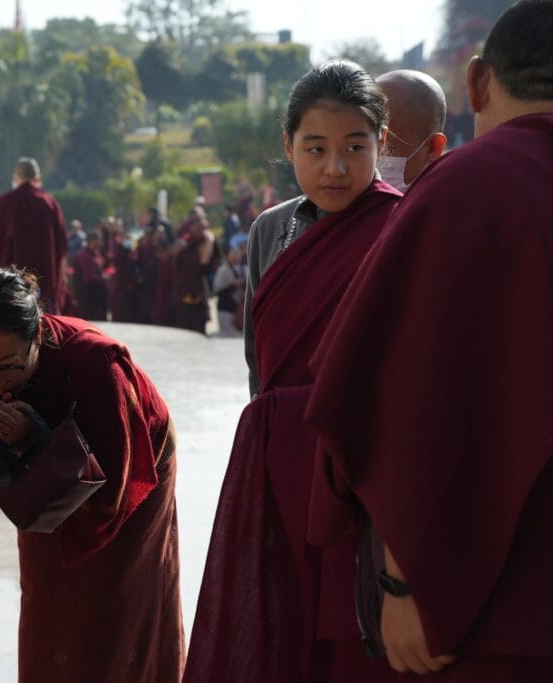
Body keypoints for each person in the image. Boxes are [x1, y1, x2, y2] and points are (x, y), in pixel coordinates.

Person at [306, 2, 553, 679]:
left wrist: (401, 581)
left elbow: (401, 398)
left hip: (491, 601)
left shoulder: (465, 189)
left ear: (476, 83)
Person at [185, 61, 403, 683]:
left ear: (381, 143)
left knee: (358, 642)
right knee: (283, 629)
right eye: (315, 148)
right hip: (281, 465)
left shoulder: (405, 224)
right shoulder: (271, 231)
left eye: (355, 147)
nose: (335, 168)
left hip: (367, 474)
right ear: (288, 147)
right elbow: (263, 360)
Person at [0, 266, 183, 682]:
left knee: (119, 596)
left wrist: (35, 437)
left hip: (132, 467)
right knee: (47, 589)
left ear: (38, 336)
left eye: (8, 368)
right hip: (47, 471)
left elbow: (111, 489)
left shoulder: (95, 365)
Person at [0, 157, 68, 313]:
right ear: (38, 178)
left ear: (15, 177)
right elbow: (61, 246)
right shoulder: (49, 203)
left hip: (7, 287)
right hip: (43, 284)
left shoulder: (1, 203)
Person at [376, 70, 448, 191]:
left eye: (387, 146)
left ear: (433, 147)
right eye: (357, 146)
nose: (373, 155)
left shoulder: (450, 200)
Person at [170, 206, 218, 334]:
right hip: (184, 289)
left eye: (201, 224)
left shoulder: (207, 239)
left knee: (199, 327)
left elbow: (204, 261)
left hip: (199, 290)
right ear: (190, 226)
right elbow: (174, 254)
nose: (199, 228)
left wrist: (209, 240)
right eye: (195, 223)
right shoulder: (185, 240)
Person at [70, 231, 108, 320]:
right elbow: (90, 278)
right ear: (92, 241)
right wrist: (104, 278)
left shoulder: (95, 254)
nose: (100, 243)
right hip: (88, 299)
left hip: (95, 298)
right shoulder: (84, 256)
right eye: (98, 241)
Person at [212, 247, 245, 337]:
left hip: (235, 310)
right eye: (233, 254)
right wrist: (234, 285)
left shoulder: (239, 270)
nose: (236, 256)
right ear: (227, 256)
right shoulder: (223, 270)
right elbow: (218, 291)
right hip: (225, 309)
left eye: (237, 254)